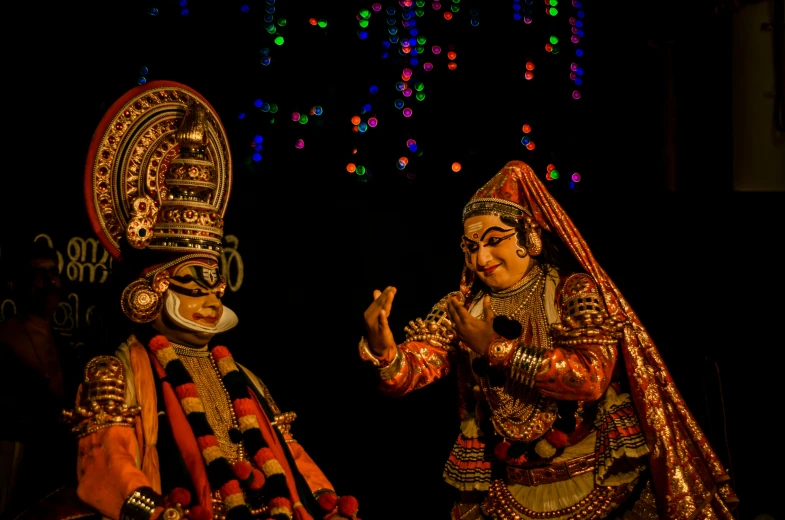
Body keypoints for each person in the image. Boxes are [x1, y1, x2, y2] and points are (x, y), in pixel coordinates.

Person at [360, 160, 738, 519]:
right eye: (471, 247)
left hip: (597, 480)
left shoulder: (571, 291)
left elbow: (589, 378)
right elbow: (414, 368)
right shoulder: (462, 306)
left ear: (528, 235)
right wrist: (386, 352)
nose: (481, 257)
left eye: (494, 240)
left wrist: (495, 347)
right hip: (508, 487)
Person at [61, 81, 360, 520]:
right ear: (151, 289)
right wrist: (155, 512)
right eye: (191, 284)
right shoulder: (116, 371)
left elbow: (291, 454)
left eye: (215, 287)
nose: (209, 299)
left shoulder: (243, 376)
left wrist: (326, 502)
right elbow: (106, 465)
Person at [0, 239, 78, 520]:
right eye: (38, 274)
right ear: (15, 284)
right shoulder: (4, 339)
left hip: (57, 482)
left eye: (53, 272)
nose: (49, 281)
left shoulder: (67, 348)